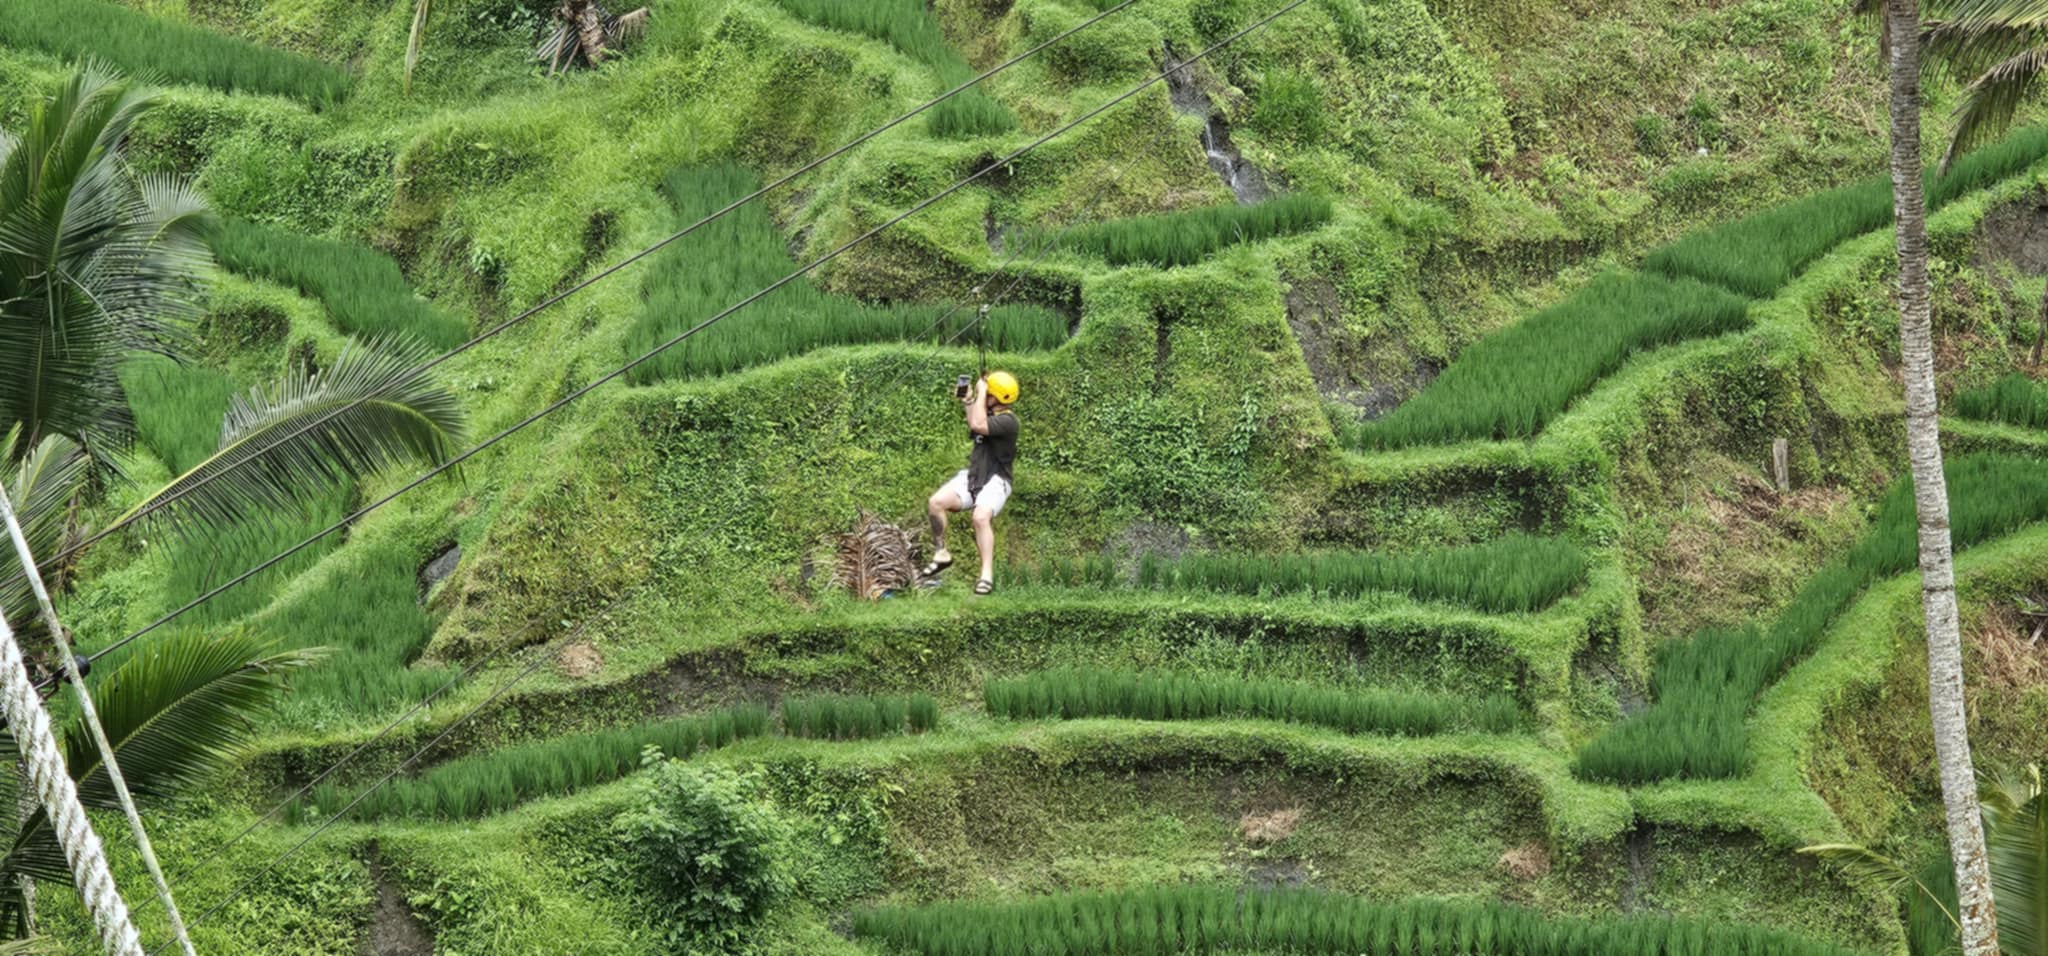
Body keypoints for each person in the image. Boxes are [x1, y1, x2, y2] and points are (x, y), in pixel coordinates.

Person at [922, 370, 1019, 594]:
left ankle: (986, 575)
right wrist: (969, 401)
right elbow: (973, 423)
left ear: (996, 397)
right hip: (974, 475)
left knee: (980, 517)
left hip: (997, 479)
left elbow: (978, 425)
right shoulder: (987, 414)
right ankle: (941, 553)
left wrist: (980, 391)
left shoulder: (1008, 422)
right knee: (936, 503)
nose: (985, 396)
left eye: (989, 394)